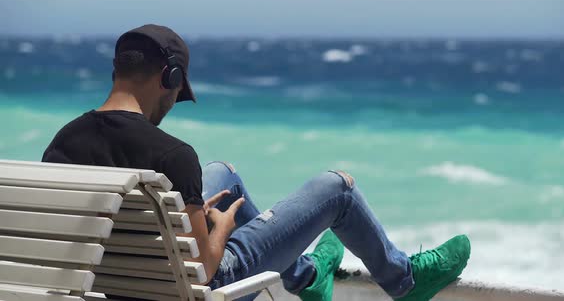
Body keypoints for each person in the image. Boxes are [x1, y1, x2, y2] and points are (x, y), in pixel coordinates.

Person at [42, 24, 471, 301]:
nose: (173, 103)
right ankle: (404, 280)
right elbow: (205, 269)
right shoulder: (171, 155)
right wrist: (222, 228)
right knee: (337, 187)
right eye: (177, 92)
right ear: (168, 79)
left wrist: (181, 222)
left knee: (223, 173)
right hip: (195, 289)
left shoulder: (61, 145)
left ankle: (305, 275)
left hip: (115, 287)